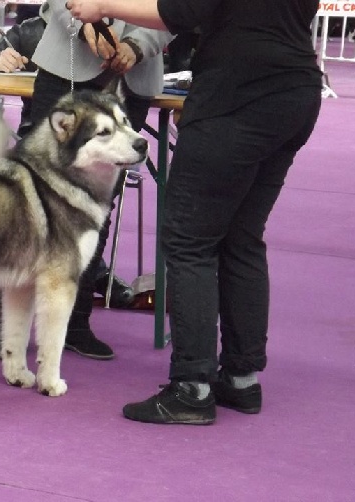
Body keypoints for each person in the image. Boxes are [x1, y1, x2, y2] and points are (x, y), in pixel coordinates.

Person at [66, 0, 323, 424]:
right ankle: (241, 378)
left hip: (238, 97)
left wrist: (101, 5)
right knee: (242, 237)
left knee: (189, 241)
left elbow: (180, 11)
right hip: (294, 93)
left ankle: (192, 387)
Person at [0, 1, 171, 361]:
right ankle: (5, 325)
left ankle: (76, 321)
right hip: (64, 64)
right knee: (26, 196)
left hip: (135, 73)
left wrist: (139, 45)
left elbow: (176, 8)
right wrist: (86, 26)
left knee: (97, 207)